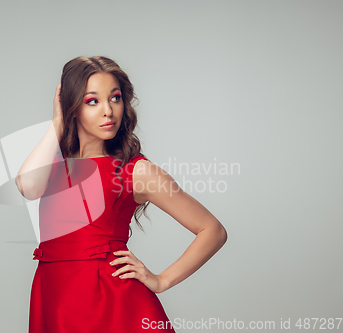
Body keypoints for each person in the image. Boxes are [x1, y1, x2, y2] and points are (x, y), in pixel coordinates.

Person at [16, 56, 227, 333]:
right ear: (72, 107)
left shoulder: (135, 171)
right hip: (54, 300)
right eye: (92, 101)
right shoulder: (52, 166)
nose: (108, 111)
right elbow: (28, 187)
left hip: (112, 307)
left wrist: (161, 280)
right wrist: (57, 123)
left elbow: (213, 230)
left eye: (115, 98)